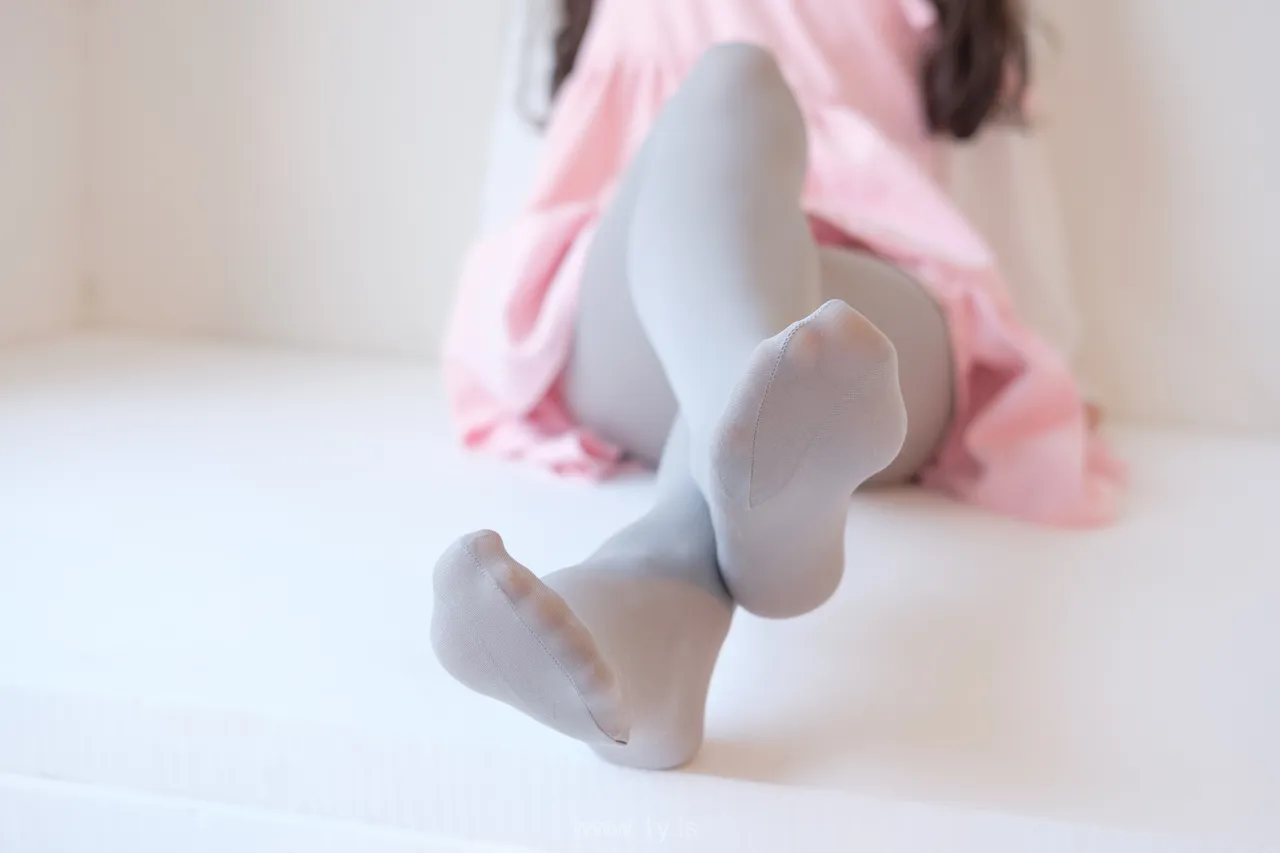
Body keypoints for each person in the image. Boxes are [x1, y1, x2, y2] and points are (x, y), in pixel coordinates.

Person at [430, 0, 1126, 770]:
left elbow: (999, 198)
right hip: (641, 300)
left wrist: (1044, 357)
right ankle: (766, 465)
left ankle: (652, 611)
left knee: (799, 333)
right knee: (735, 81)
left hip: (856, 346)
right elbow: (533, 174)